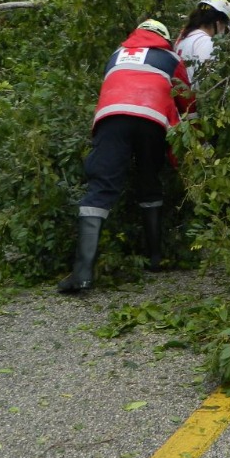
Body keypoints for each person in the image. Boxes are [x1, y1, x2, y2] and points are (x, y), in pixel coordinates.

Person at [57, 18, 193, 292]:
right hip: (153, 120)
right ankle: (155, 258)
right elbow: (187, 102)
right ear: (164, 39)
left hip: (112, 117)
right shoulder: (170, 58)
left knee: (101, 188)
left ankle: (82, 274)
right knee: (149, 179)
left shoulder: (115, 55)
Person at [174, 0, 230, 82]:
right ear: (218, 23)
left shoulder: (184, 38)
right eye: (224, 24)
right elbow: (206, 83)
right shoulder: (207, 43)